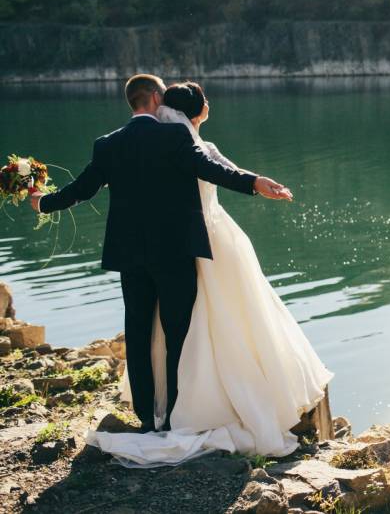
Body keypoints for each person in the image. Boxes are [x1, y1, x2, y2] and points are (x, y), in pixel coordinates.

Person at [34, 76, 331, 466]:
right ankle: (175, 413)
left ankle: (148, 419)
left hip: (130, 256)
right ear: (156, 98)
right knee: (178, 334)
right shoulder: (175, 137)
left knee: (138, 333)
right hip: (175, 254)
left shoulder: (108, 144)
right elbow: (210, 169)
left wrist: (42, 203)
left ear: (132, 102)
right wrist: (254, 183)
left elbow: (81, 189)